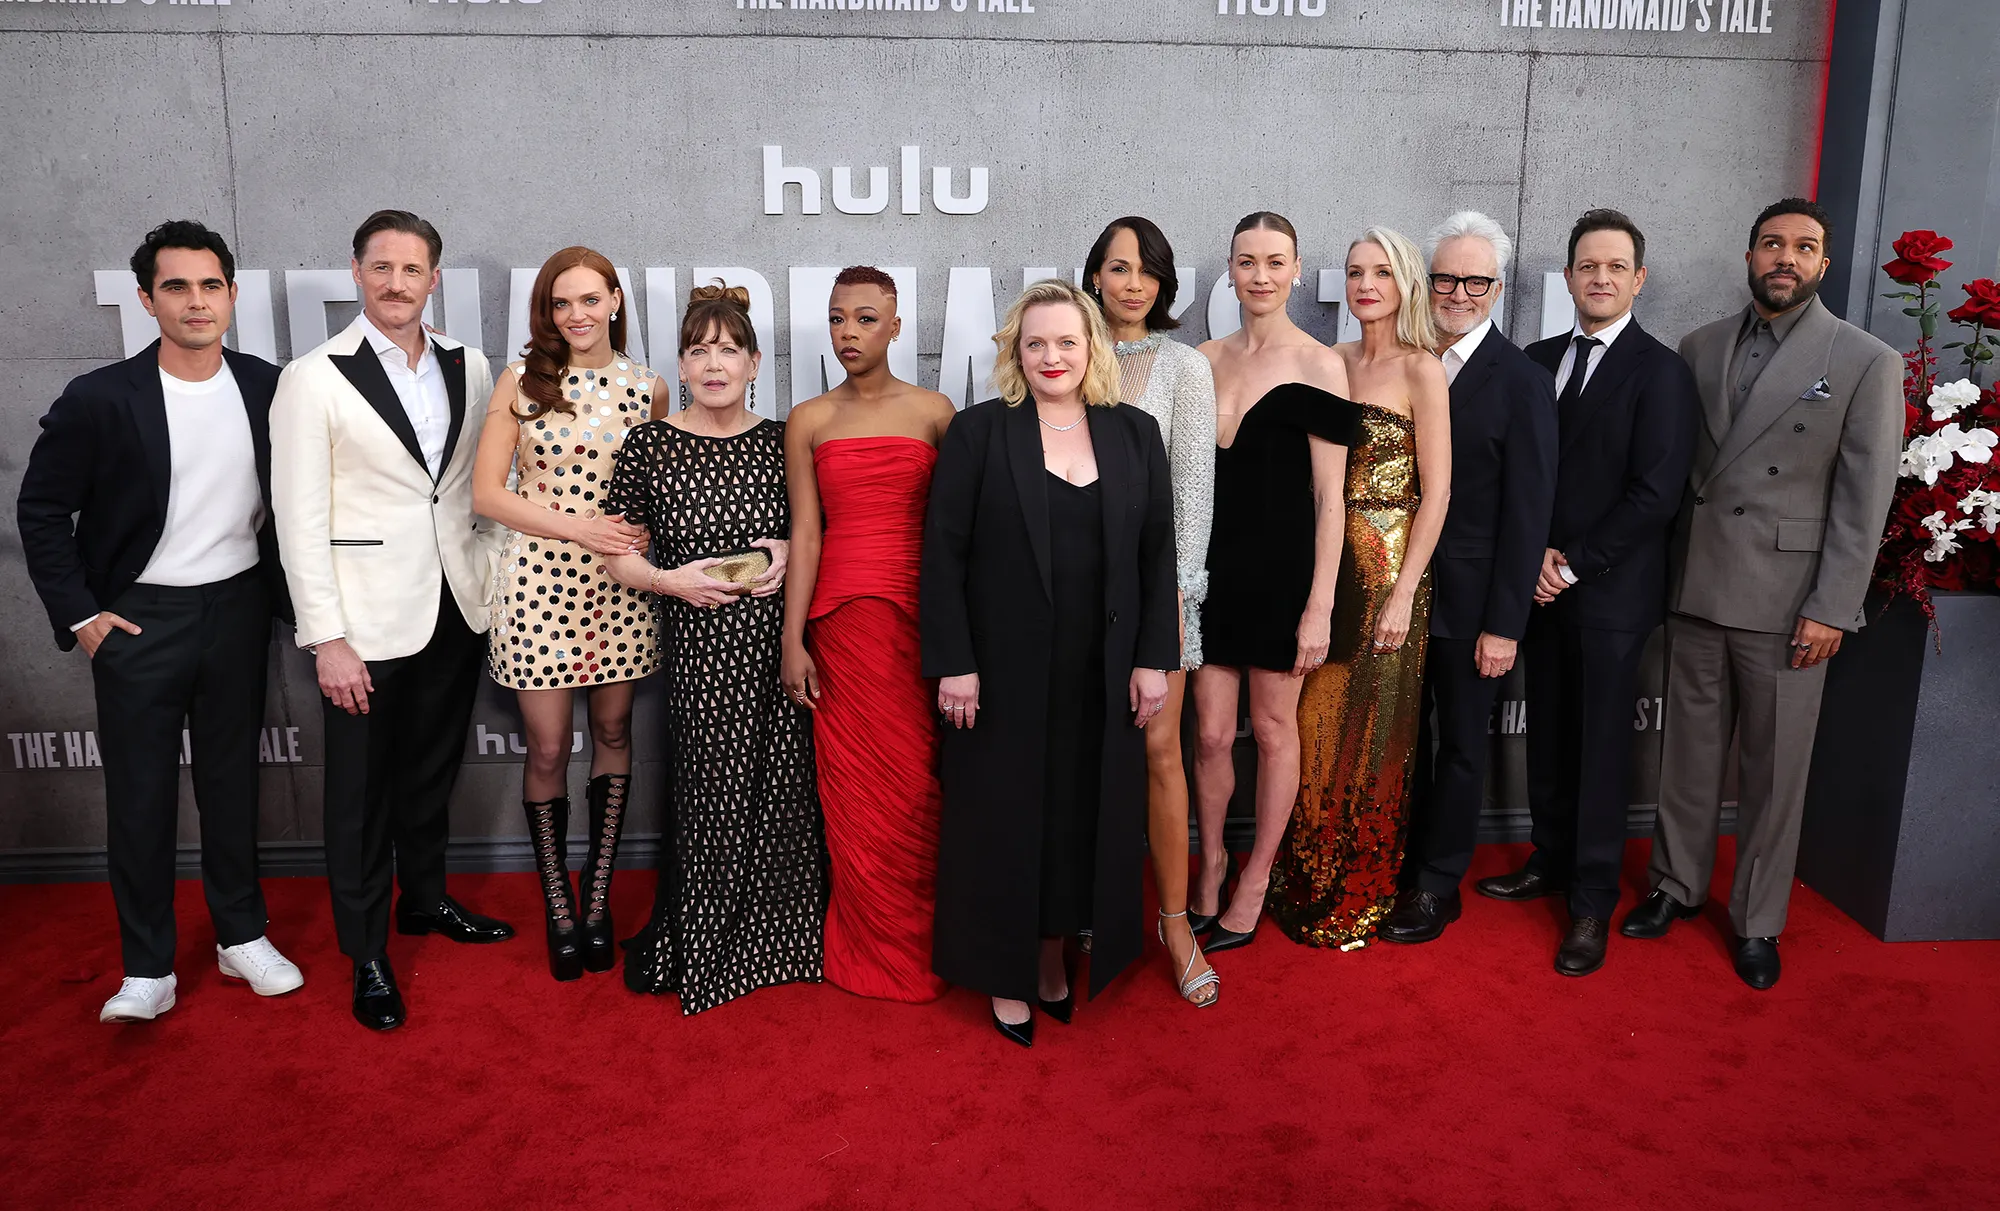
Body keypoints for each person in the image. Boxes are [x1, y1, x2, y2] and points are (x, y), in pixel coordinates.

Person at [18, 220, 304, 1023]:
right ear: (146, 300)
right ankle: (146, 966)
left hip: (239, 608)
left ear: (233, 295)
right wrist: (80, 614)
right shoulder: (101, 397)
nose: (196, 300)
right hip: (137, 619)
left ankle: (241, 936)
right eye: (176, 286)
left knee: (231, 786)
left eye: (211, 284)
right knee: (140, 797)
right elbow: (41, 509)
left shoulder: (266, 385)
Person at [1635, 198, 1903, 990]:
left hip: (1790, 602)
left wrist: (1832, 605)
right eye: (1772, 243)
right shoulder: (1698, 345)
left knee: (1774, 770)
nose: (1785, 257)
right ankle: (1675, 885)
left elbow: (1865, 498)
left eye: (1804, 246)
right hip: (1698, 581)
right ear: (1750, 255)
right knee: (1684, 758)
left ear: (1823, 264)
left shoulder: (1862, 359)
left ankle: (1757, 920)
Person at [270, 209, 513, 1033]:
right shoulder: (314, 376)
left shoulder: (471, 365)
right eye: (382, 269)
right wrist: (325, 637)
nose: (397, 283)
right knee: (362, 796)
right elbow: (297, 520)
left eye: (413, 270)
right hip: (364, 623)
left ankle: (427, 902)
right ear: (357, 273)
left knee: (430, 773)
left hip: (454, 604)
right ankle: (367, 952)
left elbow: (473, 486)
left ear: (433, 278)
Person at [922, 279, 1178, 1047]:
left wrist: (1152, 659)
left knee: (1077, 817)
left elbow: (1156, 555)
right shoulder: (977, 434)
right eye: (1035, 342)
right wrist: (955, 663)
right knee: (1004, 822)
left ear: (1092, 348)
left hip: (1100, 674)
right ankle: (1005, 974)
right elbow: (943, 556)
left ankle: (1050, 958)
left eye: (1067, 341)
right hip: (999, 675)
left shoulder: (1134, 433)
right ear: (1015, 352)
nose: (1051, 356)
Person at [1479, 210, 1700, 976]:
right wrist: (1532, 564)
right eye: (1586, 265)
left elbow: (1654, 494)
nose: (1599, 277)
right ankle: (1550, 857)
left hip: (1609, 594)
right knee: (1549, 735)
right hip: (1538, 591)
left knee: (1603, 746)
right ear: (1568, 277)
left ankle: (1591, 901)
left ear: (1638, 279)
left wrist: (1569, 563)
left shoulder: (1662, 372)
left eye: (1615, 266)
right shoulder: (1538, 360)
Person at [599, 283, 823, 1015]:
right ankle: (708, 939)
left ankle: (785, 939)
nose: (715, 363)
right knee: (710, 792)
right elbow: (616, 556)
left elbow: (819, 532)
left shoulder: (784, 436)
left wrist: (789, 551)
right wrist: (669, 580)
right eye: (700, 350)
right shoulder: (650, 443)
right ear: (683, 364)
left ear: (755, 361)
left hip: (776, 642)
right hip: (699, 647)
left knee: (784, 790)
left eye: (729, 349)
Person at [471, 246, 662, 982]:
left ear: (615, 300)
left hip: (620, 586)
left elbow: (654, 485)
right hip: (539, 586)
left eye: (590, 299)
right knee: (548, 748)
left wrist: (641, 533)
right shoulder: (520, 381)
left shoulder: (649, 387)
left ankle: (599, 897)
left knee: (613, 729)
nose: (576, 315)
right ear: (546, 313)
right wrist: (577, 527)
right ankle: (558, 903)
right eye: (561, 303)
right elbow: (488, 493)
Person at [1268, 227, 1451, 947]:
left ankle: (1362, 886)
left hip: (1389, 574)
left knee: (1376, 737)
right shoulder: (1330, 361)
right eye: (1354, 271)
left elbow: (1436, 494)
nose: (1365, 283)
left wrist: (1406, 590)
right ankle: (1304, 873)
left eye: (1381, 271)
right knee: (1311, 728)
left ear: (1404, 282)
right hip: (1324, 566)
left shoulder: (1421, 369)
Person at [1383, 212, 1559, 947]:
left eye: (1475, 280)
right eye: (1446, 277)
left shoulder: (1522, 381)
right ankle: (1396, 860)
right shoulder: (1402, 358)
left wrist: (1505, 623)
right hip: (1394, 594)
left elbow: (1529, 511)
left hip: (1472, 606)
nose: (1458, 292)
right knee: (1399, 742)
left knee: (1459, 744)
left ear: (1497, 287)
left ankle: (1435, 885)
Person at [781, 266, 955, 1004]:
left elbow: (956, 534)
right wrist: (792, 640)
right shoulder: (810, 418)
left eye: (864, 318)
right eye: (836, 319)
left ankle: (929, 942)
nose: (848, 332)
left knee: (918, 786)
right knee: (854, 795)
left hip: (919, 621)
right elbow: (807, 534)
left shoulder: (936, 412)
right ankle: (866, 946)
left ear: (895, 326)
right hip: (841, 624)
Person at [1192, 212, 1361, 953]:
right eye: (1246, 260)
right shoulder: (1200, 357)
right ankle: (1211, 862)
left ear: (1295, 271)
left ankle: (1255, 878)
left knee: (1270, 728)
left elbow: (1333, 498)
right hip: (1210, 573)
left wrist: (1319, 605)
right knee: (1207, 733)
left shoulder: (1321, 363)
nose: (1260, 274)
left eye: (1275, 261)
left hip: (1285, 575)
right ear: (1229, 270)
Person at [1083, 216, 1220, 1007]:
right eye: (1118, 266)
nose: (1133, 282)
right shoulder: (1066, 351)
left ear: (1165, 283)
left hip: (1155, 594)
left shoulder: (1183, 366)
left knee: (1161, 756)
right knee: (1084, 757)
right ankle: (1093, 910)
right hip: (1069, 594)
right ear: (1095, 274)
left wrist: (1176, 601)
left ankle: (1175, 925)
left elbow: (1193, 490)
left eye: (1147, 270)